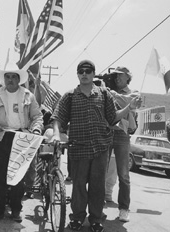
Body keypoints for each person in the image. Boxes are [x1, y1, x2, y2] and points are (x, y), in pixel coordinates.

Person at [49, 60, 141, 232]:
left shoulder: (104, 93)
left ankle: (96, 219)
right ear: (77, 74)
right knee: (78, 185)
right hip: (78, 148)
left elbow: (113, 117)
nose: (84, 74)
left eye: (88, 71)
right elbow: (57, 118)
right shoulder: (69, 96)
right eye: (81, 71)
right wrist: (55, 133)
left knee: (98, 186)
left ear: (93, 73)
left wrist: (130, 107)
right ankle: (77, 218)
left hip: (100, 148)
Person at [0, 63, 43, 223]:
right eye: (7, 77)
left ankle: (16, 209)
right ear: (4, 79)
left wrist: (36, 130)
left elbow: (37, 116)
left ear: (19, 79)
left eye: (13, 77)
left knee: (18, 175)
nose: (10, 80)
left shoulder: (28, 95)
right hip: (1, 137)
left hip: (21, 137)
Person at [105, 66, 140, 222]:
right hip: (106, 132)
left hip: (122, 135)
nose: (117, 78)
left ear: (128, 77)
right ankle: (97, 206)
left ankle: (124, 209)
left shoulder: (135, 93)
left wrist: (110, 93)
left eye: (120, 75)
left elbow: (129, 102)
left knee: (124, 175)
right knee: (99, 171)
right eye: (115, 75)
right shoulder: (106, 91)